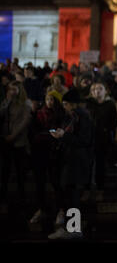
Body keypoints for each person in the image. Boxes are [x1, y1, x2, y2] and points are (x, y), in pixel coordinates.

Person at [47, 88, 94, 239]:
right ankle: (69, 227)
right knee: (68, 194)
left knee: (73, 195)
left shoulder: (82, 117)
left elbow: (84, 140)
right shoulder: (71, 116)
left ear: (73, 104)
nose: (64, 107)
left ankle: (74, 229)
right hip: (69, 161)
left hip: (77, 162)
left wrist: (64, 135)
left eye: (66, 104)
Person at [29, 91, 65, 224]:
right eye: (48, 99)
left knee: (56, 182)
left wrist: (47, 135)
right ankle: (41, 209)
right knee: (40, 183)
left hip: (55, 153)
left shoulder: (61, 114)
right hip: (40, 152)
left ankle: (60, 210)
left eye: (53, 99)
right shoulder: (38, 114)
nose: (50, 102)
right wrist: (49, 135)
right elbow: (34, 133)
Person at [0, 81, 32, 202]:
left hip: (19, 141)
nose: (12, 92)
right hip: (5, 139)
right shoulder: (7, 102)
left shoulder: (25, 103)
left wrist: (13, 135)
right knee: (5, 170)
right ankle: (3, 196)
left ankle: (22, 197)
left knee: (20, 170)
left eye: (14, 89)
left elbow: (24, 122)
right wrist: (7, 102)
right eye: (10, 89)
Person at [85, 82, 117, 189]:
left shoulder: (110, 104)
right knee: (88, 162)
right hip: (89, 137)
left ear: (105, 91)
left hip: (103, 137)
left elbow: (114, 121)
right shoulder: (88, 104)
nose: (97, 91)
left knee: (101, 163)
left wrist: (106, 129)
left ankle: (100, 185)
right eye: (94, 89)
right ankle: (88, 185)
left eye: (100, 88)